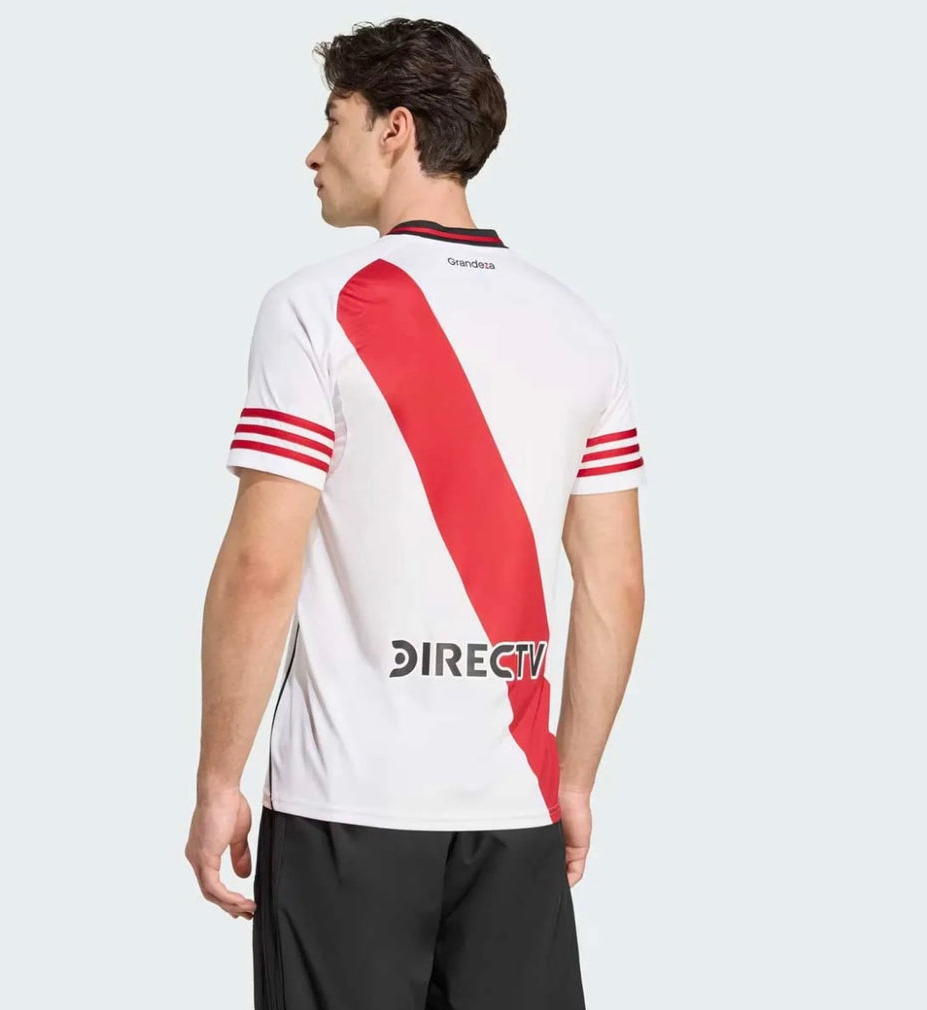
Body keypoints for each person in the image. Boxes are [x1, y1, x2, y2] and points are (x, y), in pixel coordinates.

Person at [184, 16, 646, 1010]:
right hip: (514, 807)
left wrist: (219, 778)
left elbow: (261, 567)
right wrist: (572, 780)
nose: (313, 153)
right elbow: (614, 583)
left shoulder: (317, 307)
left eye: (333, 121)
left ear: (394, 130)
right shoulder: (578, 326)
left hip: (347, 807)